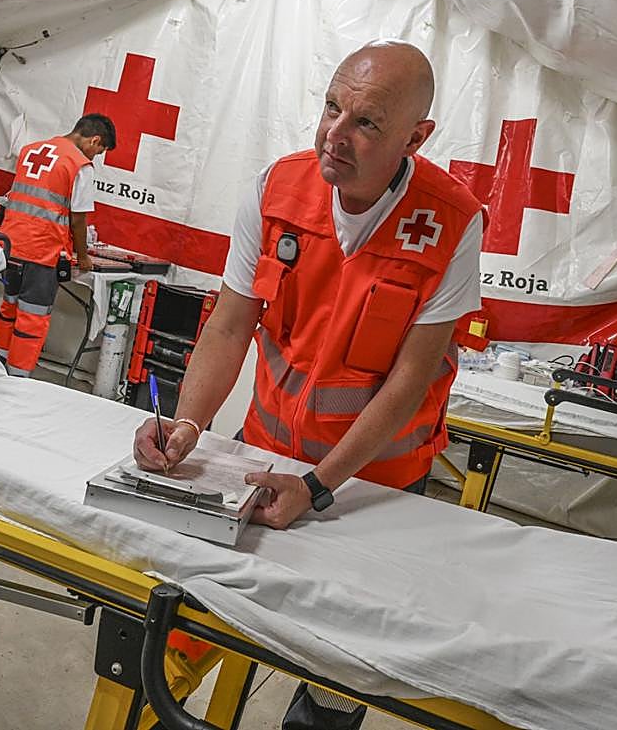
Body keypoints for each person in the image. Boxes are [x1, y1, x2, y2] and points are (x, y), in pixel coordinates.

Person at [132, 41, 483, 730]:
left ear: (416, 138)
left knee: (335, 673)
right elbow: (230, 325)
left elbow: (410, 380)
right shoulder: (277, 189)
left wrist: (319, 486)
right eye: (330, 108)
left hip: (373, 488)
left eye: (366, 122)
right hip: (261, 456)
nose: (334, 134)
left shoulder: (453, 221)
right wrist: (188, 423)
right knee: (190, 626)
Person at [0, 113, 116, 377]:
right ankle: (17, 379)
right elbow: (78, 219)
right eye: (99, 152)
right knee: (32, 318)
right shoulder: (79, 166)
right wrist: (83, 256)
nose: (95, 157)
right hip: (42, 251)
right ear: (95, 140)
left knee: (9, 309)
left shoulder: (31, 150)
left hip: (10, 246)